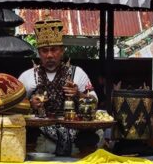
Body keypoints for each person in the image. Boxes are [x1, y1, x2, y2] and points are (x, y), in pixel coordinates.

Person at [18, 17, 97, 154]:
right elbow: (15, 107)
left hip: (75, 133)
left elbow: (95, 102)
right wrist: (30, 104)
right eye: (44, 50)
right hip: (40, 135)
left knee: (90, 136)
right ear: (39, 52)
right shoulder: (27, 76)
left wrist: (78, 94)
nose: (49, 55)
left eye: (54, 50)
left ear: (62, 51)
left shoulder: (77, 73)